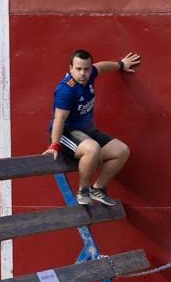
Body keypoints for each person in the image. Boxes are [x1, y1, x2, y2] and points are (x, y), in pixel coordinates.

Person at [43, 48, 141, 207]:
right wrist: (54, 145)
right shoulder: (66, 90)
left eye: (86, 69)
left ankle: (98, 188)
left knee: (121, 151)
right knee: (93, 148)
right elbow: (59, 119)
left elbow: (101, 67)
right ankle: (83, 191)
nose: (83, 73)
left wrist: (120, 64)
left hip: (86, 132)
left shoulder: (90, 75)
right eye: (78, 69)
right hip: (66, 134)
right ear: (70, 68)